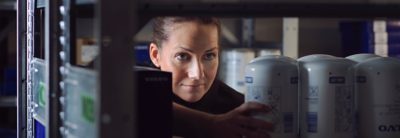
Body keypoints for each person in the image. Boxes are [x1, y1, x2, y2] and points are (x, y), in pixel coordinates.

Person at [149, 17, 273, 138]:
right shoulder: (135, 99)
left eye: (209, 56)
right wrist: (210, 124)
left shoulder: (240, 113)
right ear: (155, 55)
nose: (197, 74)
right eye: (182, 56)